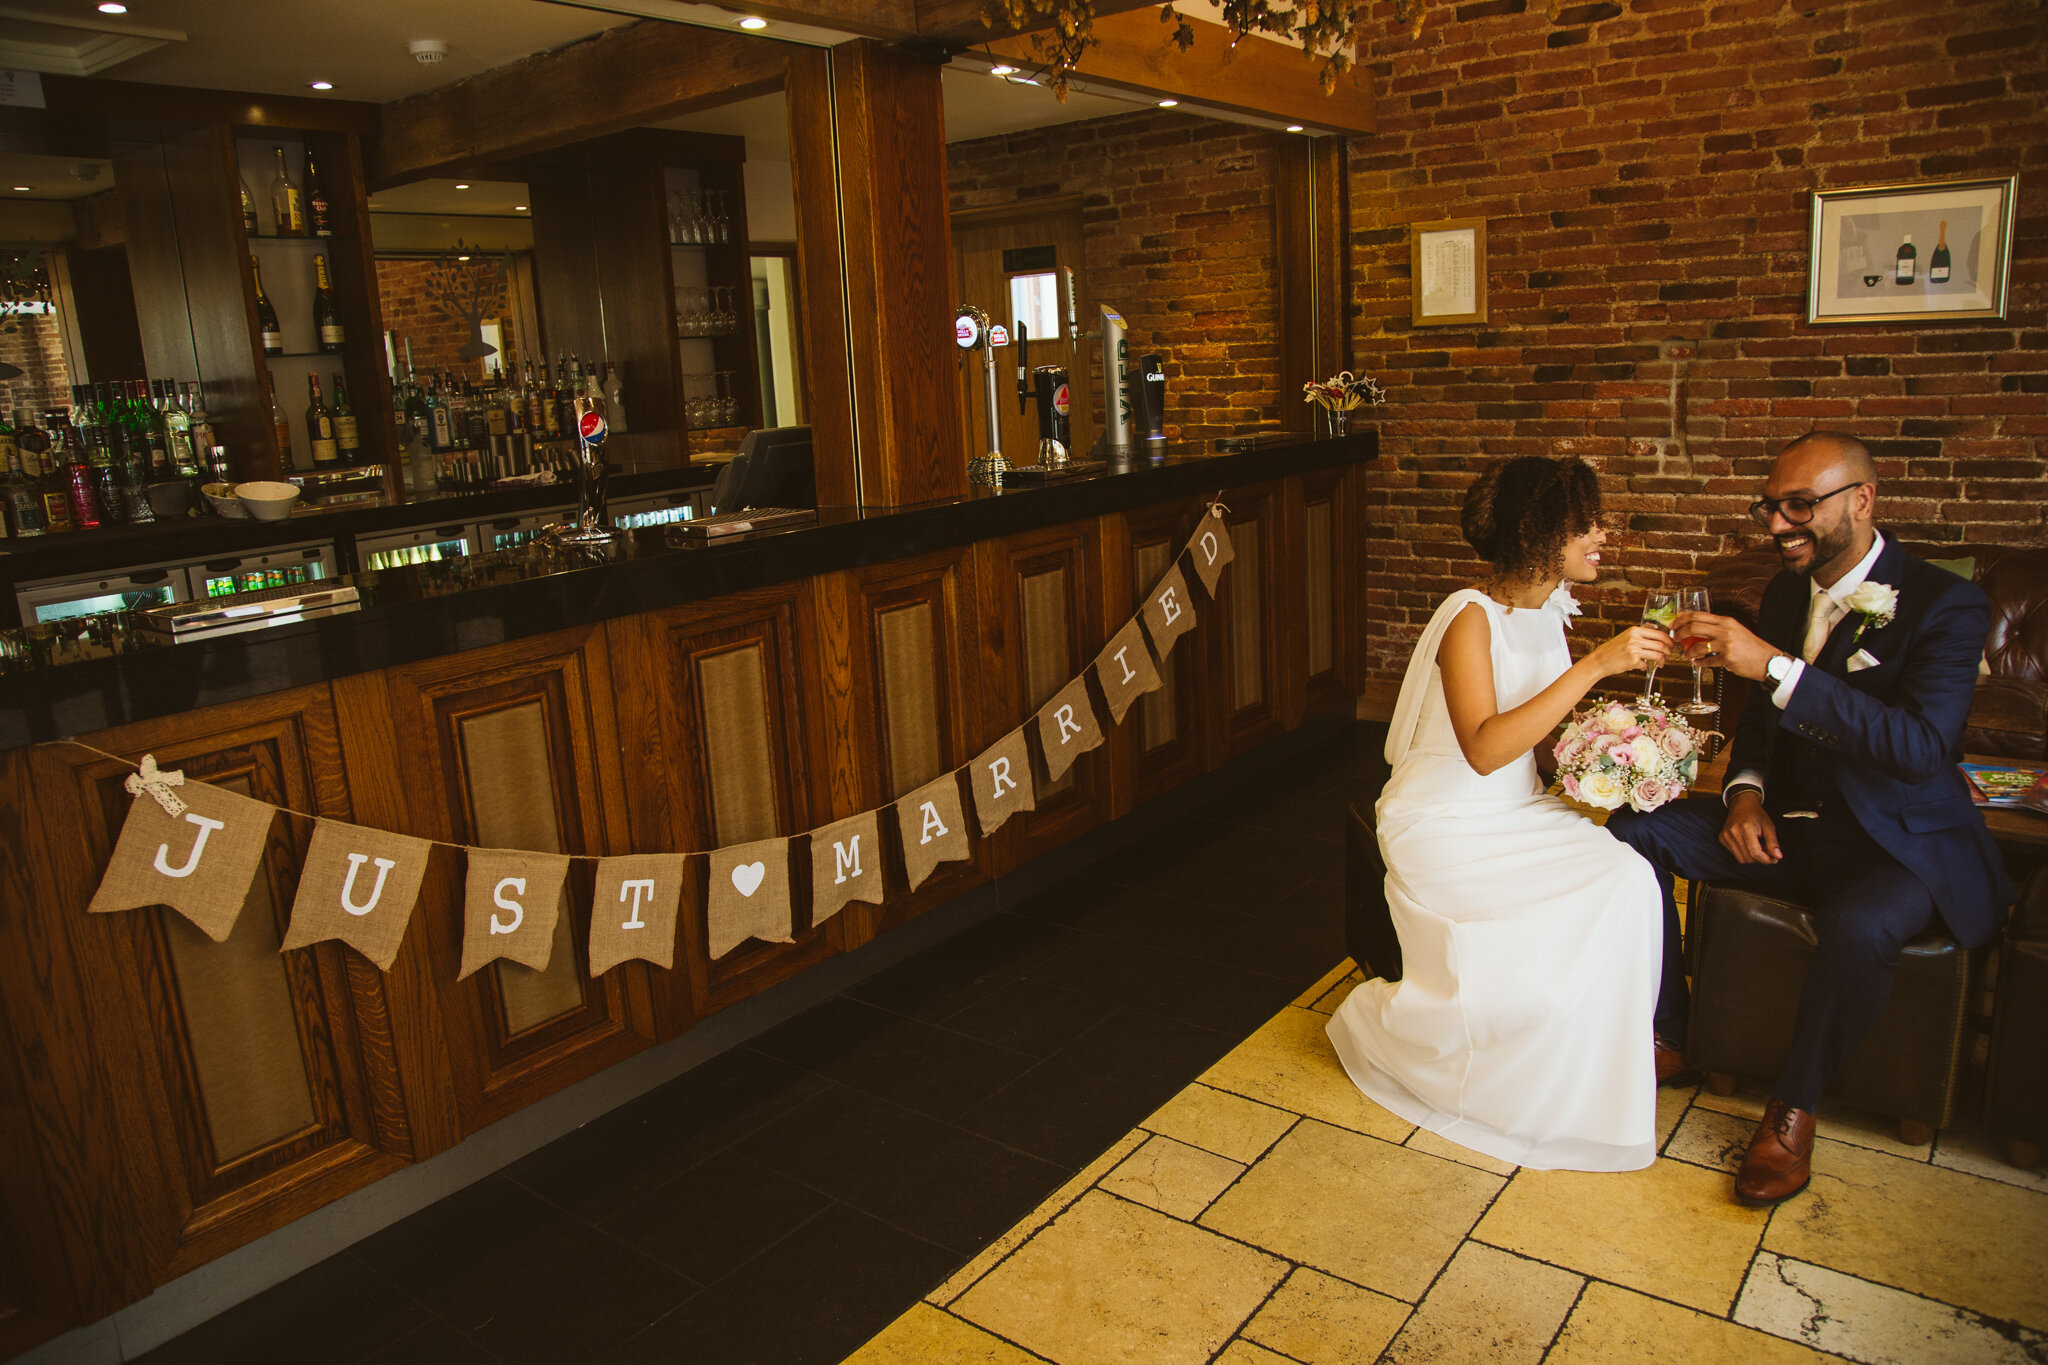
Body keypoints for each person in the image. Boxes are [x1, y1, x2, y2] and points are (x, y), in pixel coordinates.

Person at [1608, 431, 2011, 1207]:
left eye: (1801, 505)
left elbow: (1920, 746)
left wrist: (1776, 667)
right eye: (1771, 506)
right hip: (1788, 830)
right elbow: (1760, 723)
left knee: (1859, 927)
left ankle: (1793, 1110)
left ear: (1862, 500)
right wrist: (1747, 793)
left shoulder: (1946, 602)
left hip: (1895, 848)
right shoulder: (1785, 593)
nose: (1777, 524)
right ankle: (1671, 1033)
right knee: (1634, 828)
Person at [1327, 455, 1675, 1171]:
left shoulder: (1548, 614)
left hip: (1519, 809)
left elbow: (1537, 745)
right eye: (1584, 524)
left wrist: (1623, 754)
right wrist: (1597, 667)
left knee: (1629, 879)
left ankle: (1598, 1072)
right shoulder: (1468, 617)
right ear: (1541, 534)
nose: (1600, 534)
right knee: (1539, 937)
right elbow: (1485, 748)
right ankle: (1467, 1061)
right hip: (1445, 821)